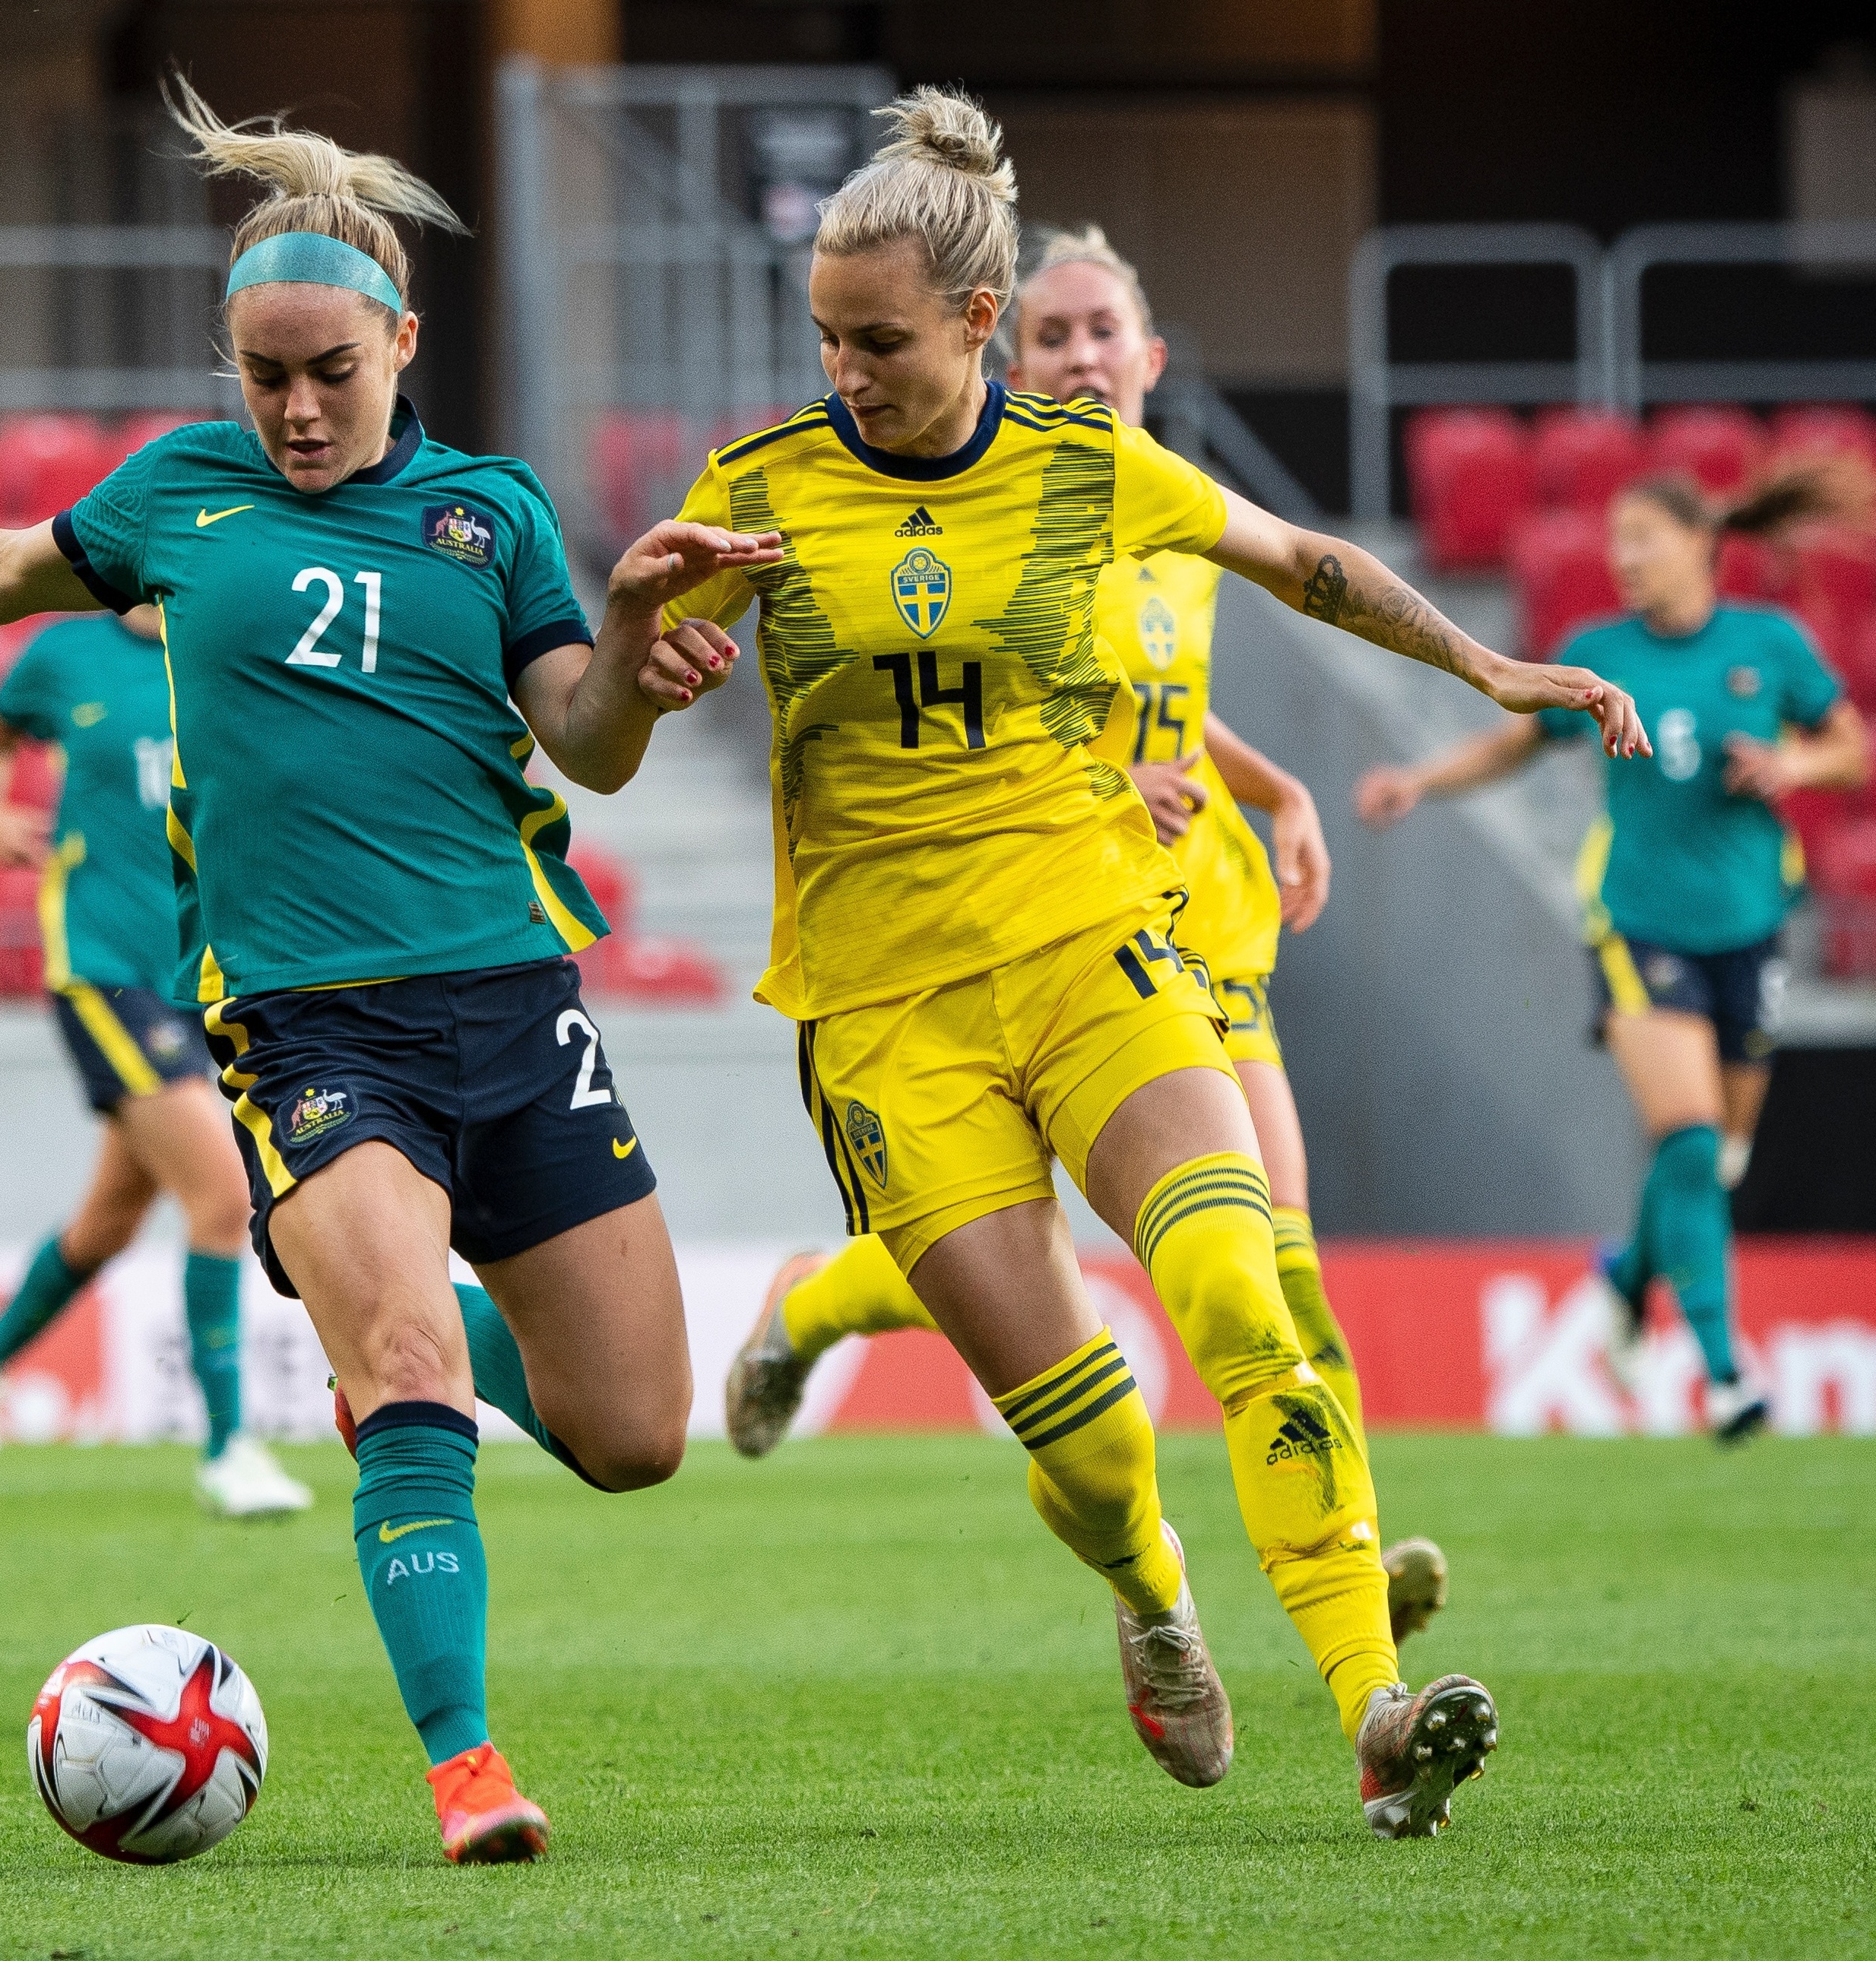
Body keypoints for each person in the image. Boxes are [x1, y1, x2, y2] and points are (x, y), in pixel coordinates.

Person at [0, 83, 777, 1864]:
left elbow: (593, 742)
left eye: (331, 366)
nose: (300, 404)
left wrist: (629, 632)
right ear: (229, 365)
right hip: (306, 1020)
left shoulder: (492, 516)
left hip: (514, 1003)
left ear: (403, 339)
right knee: (401, 1358)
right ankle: (469, 1766)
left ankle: (380, 1337)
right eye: (266, 374)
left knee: (632, 1435)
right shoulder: (180, 492)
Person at [640, 89, 1643, 1836]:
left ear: (970, 324)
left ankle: (1373, 1711)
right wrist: (621, 657)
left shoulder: (1091, 474)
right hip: (885, 1015)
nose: (843, 369)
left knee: (1251, 1292)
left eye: (872, 339)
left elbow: (1307, 561)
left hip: (1102, 945)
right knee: (1093, 1448)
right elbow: (592, 732)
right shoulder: (762, 487)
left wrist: (1488, 669)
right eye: (824, 338)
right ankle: (1151, 1583)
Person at [721, 223, 1452, 1643]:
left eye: (1101, 332)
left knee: (1269, 1262)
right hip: (1016, 918)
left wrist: (1273, 782)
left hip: (1194, 920)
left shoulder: (1159, 511)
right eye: (1053, 339)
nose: (1078, 357)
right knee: (1015, 1250)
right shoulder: (987, 508)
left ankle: (1352, 1566)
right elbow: (988, 716)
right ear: (1008, 347)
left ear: (1150, 354)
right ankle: (812, 1311)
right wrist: (1113, 778)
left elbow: (1160, 697)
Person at [1356, 467, 1870, 1443]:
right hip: (1639, 924)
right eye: (1614, 542)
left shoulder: (1767, 646)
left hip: (1751, 926)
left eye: (1640, 537)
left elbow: (1851, 748)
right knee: (1682, 1137)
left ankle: (1627, 1285)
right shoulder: (1596, 654)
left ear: (1697, 541)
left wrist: (1791, 764)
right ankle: (1724, 1375)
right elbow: (1515, 744)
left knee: (1710, 1158)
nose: (1622, 558)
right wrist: (1419, 780)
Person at [0, 600, 312, 1518]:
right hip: (100, 965)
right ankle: (227, 1451)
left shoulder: (232, 640)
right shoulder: (65, 656)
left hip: (204, 971)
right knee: (223, 1194)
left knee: (106, 1224)